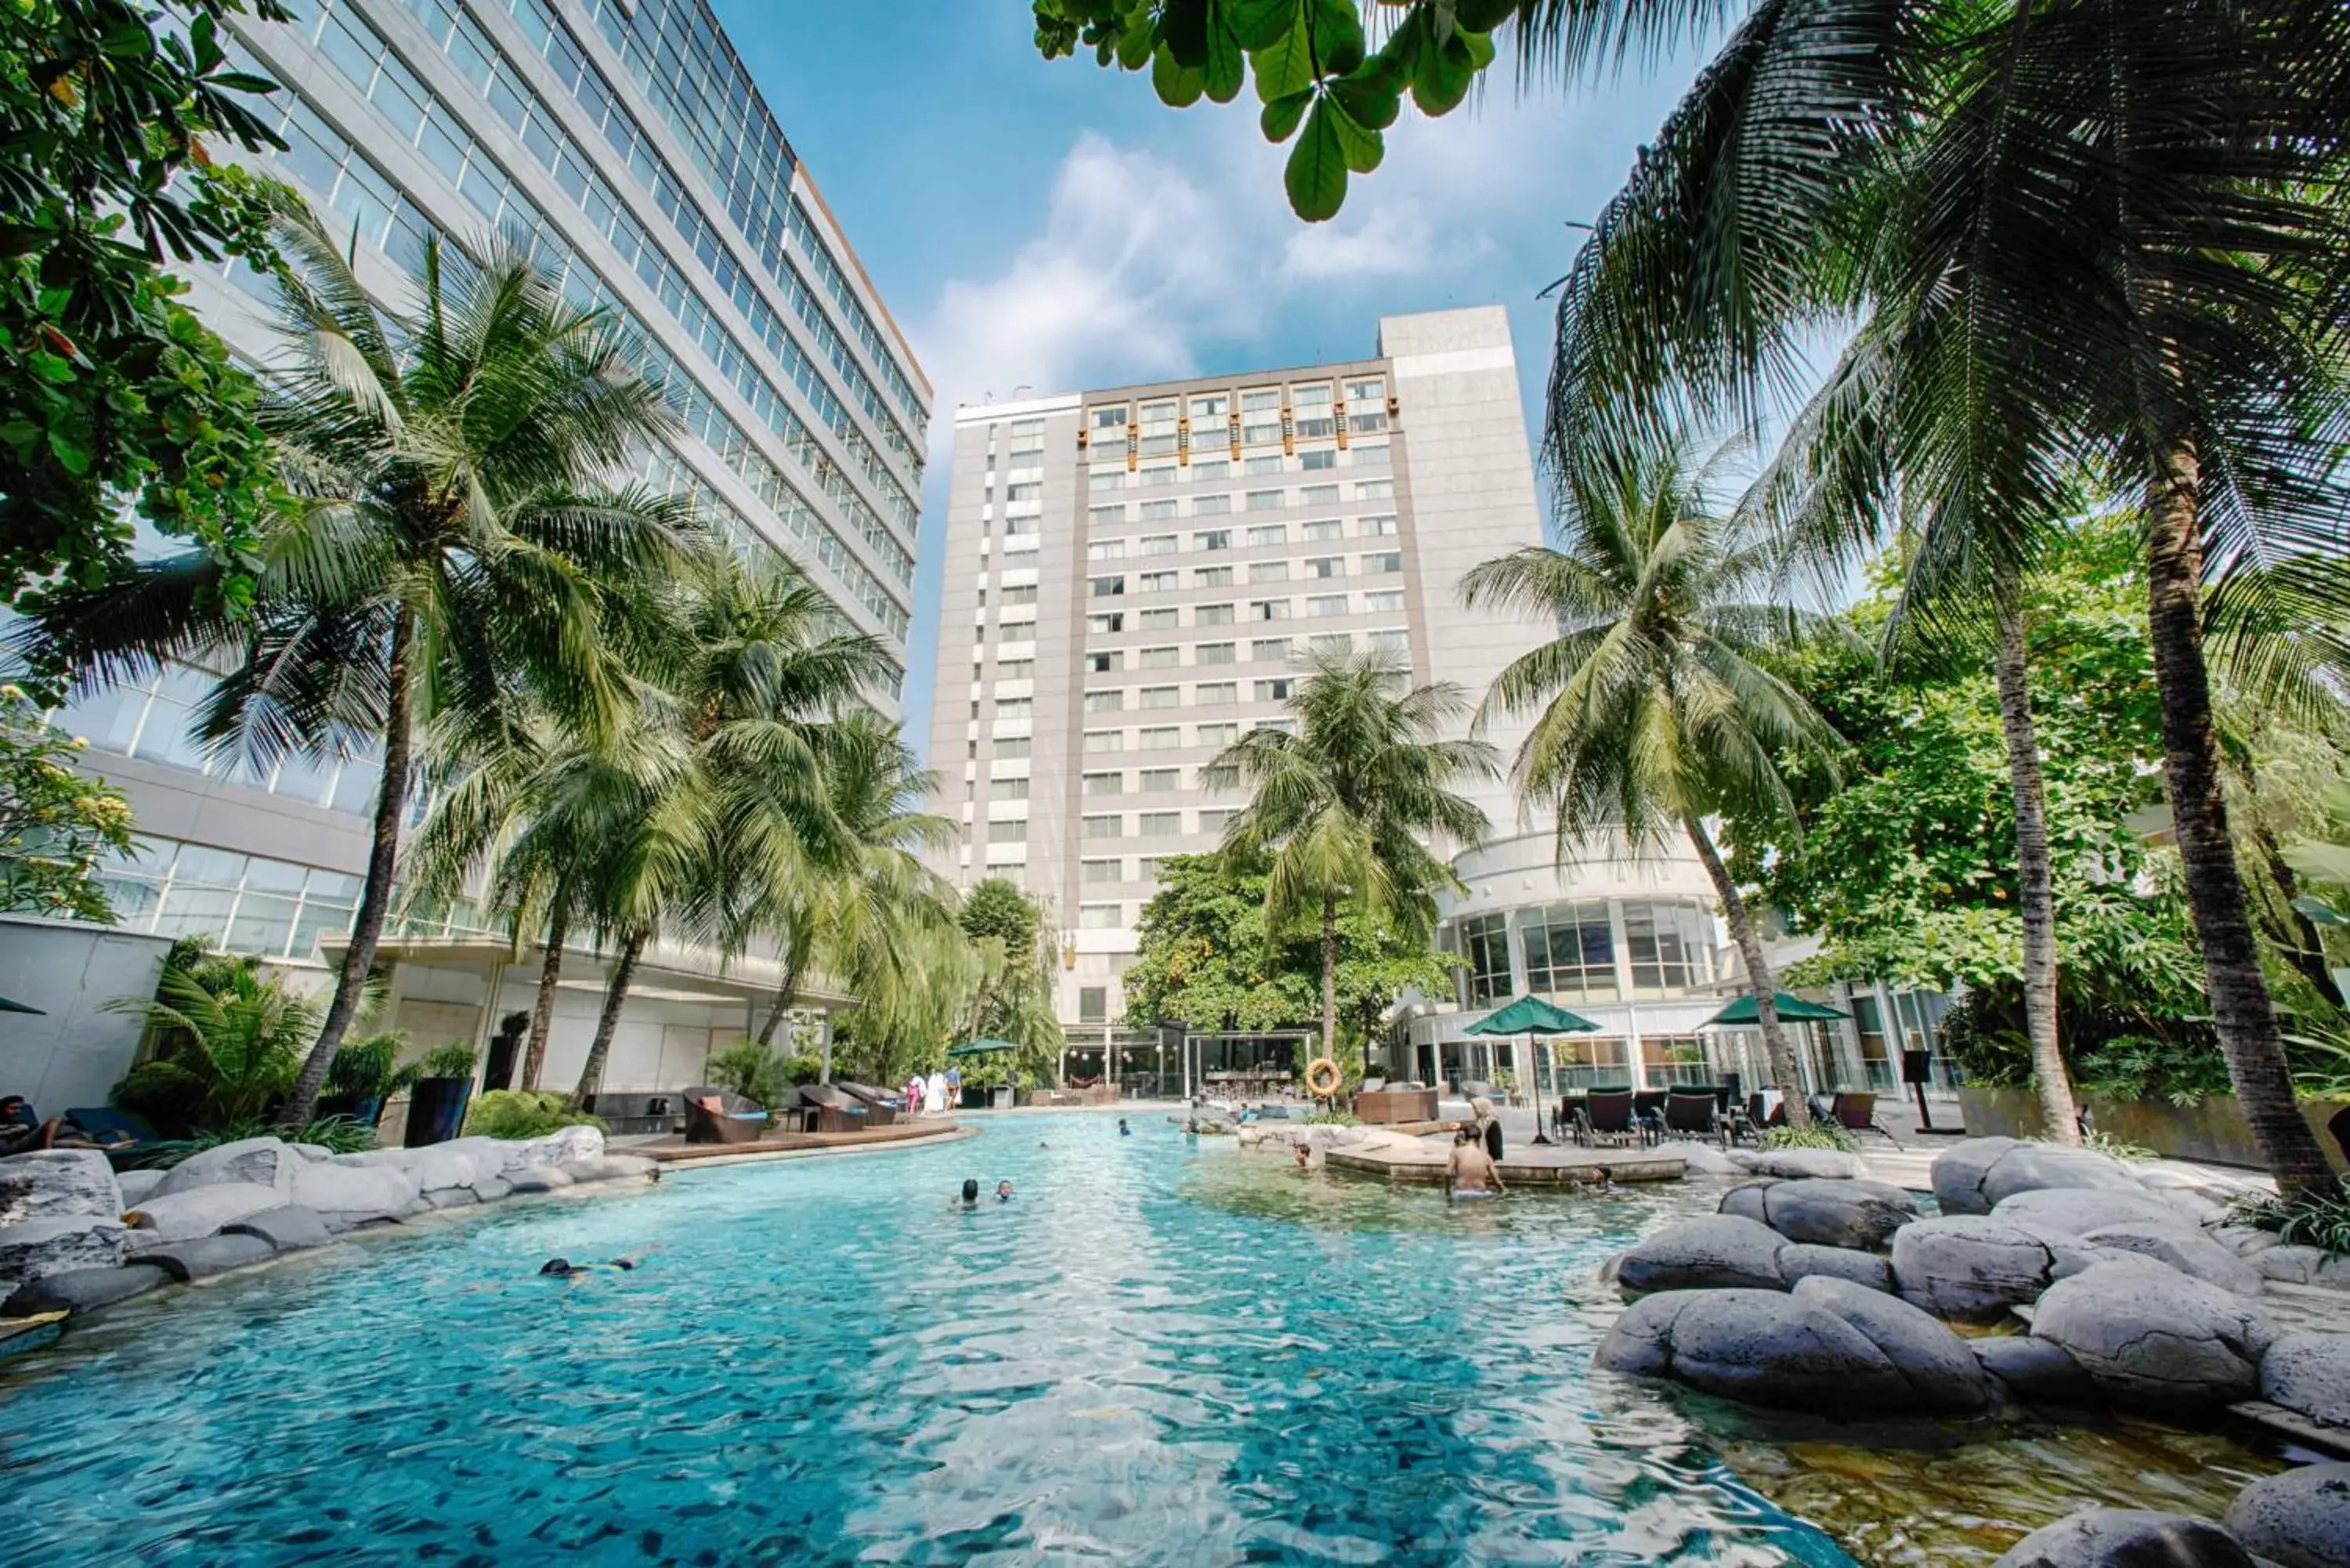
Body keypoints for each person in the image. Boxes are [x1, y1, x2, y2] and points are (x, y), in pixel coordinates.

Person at [1448, 1125, 1504, 1201]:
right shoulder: (1486, 1157)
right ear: (1479, 1140)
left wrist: (1447, 1190)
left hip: (1460, 1192)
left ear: (1465, 1137)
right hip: (1480, 1193)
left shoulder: (1456, 1152)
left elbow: (1447, 1173)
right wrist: (1504, 1190)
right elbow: (1497, 1181)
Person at [539, 1255, 642, 1279]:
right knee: (630, 1256)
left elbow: (579, 1280)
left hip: (621, 1267)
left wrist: (564, 1293)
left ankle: (648, 1249)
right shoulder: (574, 1269)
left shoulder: (576, 1274)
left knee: (633, 1260)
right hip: (605, 1265)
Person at [1470, 1094, 1504, 1161]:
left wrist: (1496, 1161)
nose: (1475, 1110)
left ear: (1483, 1107)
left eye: (1476, 1108)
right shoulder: (1481, 1120)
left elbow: (1495, 1145)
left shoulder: (1492, 1122)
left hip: (1490, 1159)